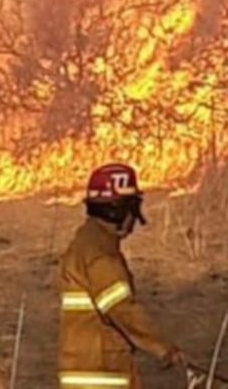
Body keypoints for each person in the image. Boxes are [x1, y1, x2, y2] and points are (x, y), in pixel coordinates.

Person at [58, 163, 186, 388]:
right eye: (133, 208)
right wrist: (163, 347)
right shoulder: (100, 255)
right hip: (101, 374)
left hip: (88, 367)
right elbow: (121, 308)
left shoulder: (87, 242)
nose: (135, 218)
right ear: (118, 210)